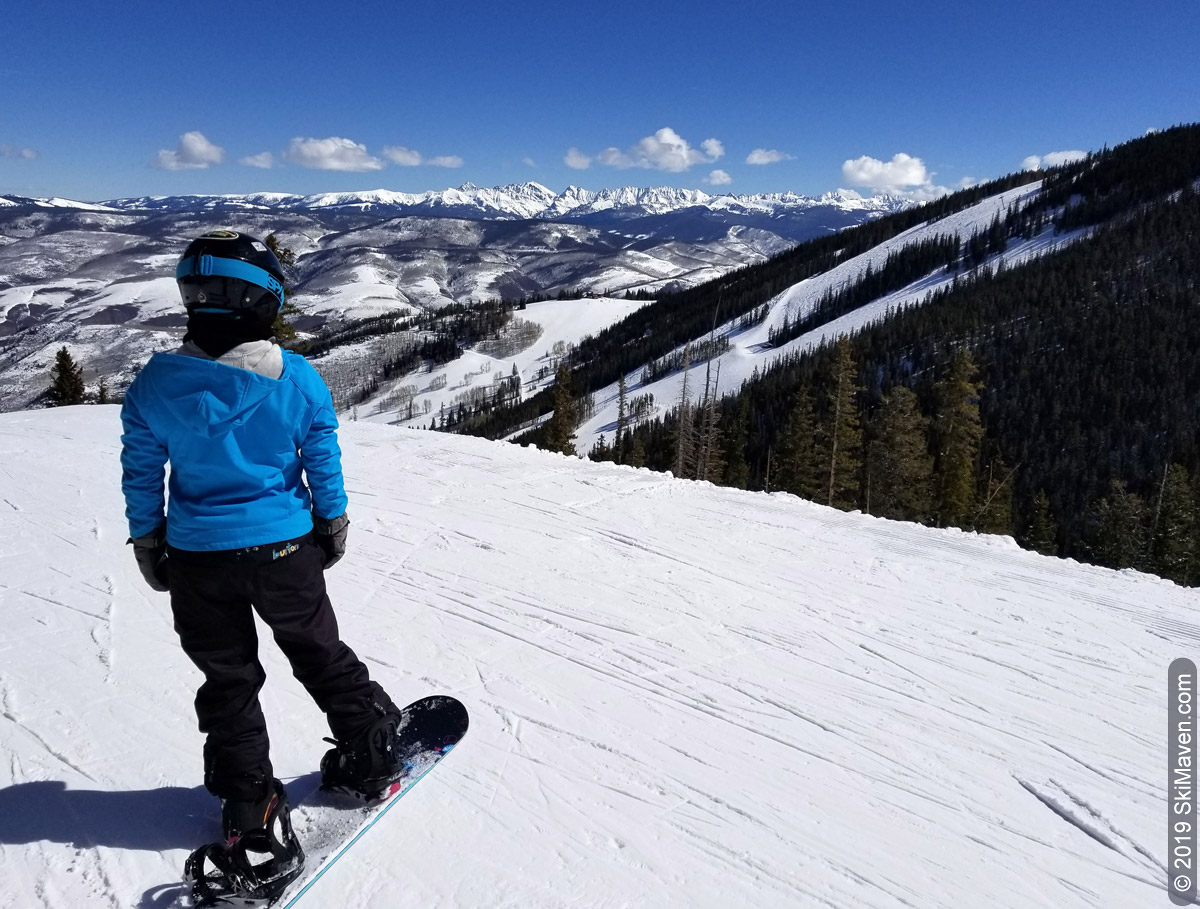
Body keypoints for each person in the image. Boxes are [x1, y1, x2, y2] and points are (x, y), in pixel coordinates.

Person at [119, 230, 406, 894]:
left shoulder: (156, 383)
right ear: (265, 300)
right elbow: (320, 456)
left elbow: (143, 471)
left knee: (228, 679)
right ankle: (367, 746)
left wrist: (148, 538)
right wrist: (331, 521)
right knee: (316, 647)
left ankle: (249, 803)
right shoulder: (297, 378)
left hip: (198, 555)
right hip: (284, 548)